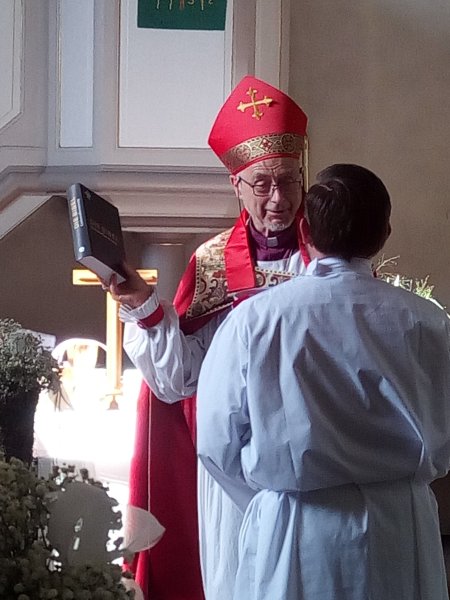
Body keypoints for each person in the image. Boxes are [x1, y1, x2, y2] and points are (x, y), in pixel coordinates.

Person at [197, 164, 450, 600]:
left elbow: (216, 443)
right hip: (398, 527)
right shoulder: (427, 321)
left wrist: (268, 496)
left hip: (295, 529)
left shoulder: (255, 320)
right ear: (385, 233)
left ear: (306, 232)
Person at [108, 75, 310, 600]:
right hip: (235, 471)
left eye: (289, 181)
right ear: (235, 185)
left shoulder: (328, 259)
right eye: (262, 184)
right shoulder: (214, 263)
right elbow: (178, 382)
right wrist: (144, 309)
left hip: (314, 465)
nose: (278, 199)